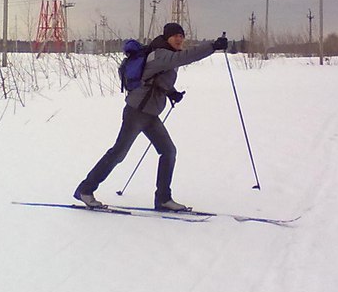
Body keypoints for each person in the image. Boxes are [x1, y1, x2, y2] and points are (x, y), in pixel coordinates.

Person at [74, 23, 228, 211]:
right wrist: (213, 46)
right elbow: (185, 58)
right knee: (118, 153)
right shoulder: (161, 54)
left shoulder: (164, 54)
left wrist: (171, 92)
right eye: (175, 36)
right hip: (137, 112)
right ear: (167, 37)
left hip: (150, 114)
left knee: (168, 151)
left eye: (182, 35)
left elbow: (155, 78)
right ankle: (85, 190)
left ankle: (163, 199)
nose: (179, 39)